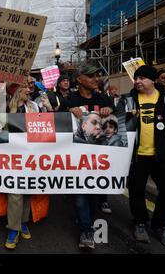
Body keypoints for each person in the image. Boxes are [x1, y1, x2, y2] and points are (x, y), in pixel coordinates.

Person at [120, 65, 165, 249]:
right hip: (137, 156)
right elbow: (115, 122)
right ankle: (140, 222)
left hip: (163, 156)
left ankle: (160, 225)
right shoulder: (127, 100)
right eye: (136, 78)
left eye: (142, 78)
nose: (137, 81)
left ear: (153, 80)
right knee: (136, 191)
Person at [63, 64, 115, 250]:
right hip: (76, 158)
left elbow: (118, 126)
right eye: (91, 76)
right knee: (80, 195)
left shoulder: (104, 99)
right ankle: (86, 230)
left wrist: (111, 113)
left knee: (92, 194)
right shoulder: (70, 99)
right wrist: (68, 112)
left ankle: (86, 220)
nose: (96, 79)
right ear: (80, 79)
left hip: (99, 158)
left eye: (97, 76)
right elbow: (57, 124)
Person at [2, 83, 39, 250]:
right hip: (12, 156)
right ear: (16, 90)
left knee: (28, 190)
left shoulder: (35, 106)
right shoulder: (5, 107)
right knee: (15, 193)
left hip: (31, 155)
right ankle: (13, 228)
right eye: (25, 87)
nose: (29, 90)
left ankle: (24, 222)